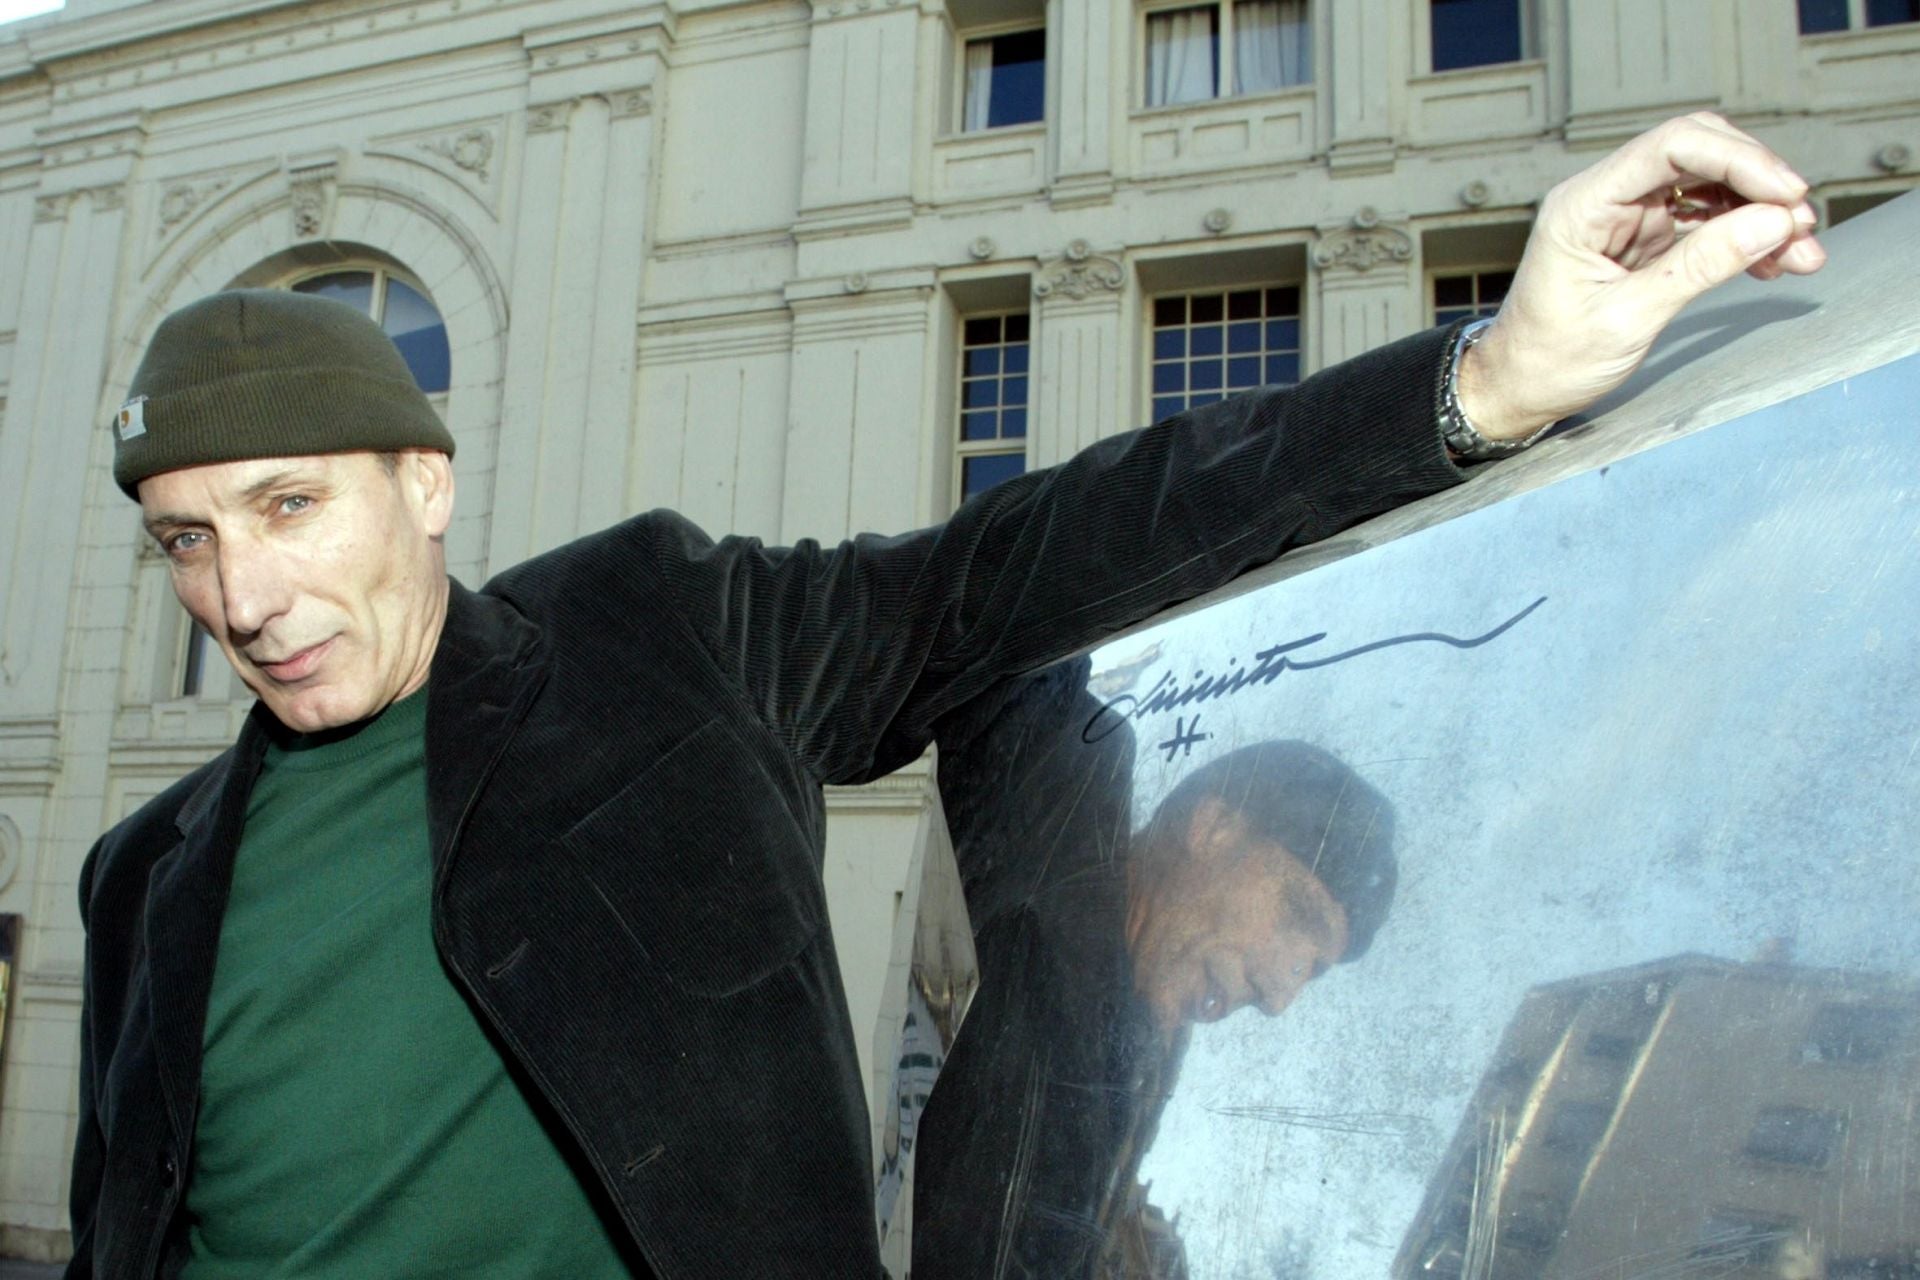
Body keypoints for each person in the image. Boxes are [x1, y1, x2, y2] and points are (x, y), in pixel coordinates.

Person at [67, 114, 1825, 1278]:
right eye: (187, 541)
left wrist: (1484, 382)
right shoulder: (145, 878)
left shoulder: (656, 641)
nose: (245, 596)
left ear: (425, 485)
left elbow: (1025, 562)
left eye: (291, 509)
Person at [915, 658, 1393, 1279]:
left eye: (1313, 971)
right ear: (1214, 826)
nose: (1280, 996)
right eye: (1298, 916)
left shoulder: (1140, 1060)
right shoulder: (1056, 787)